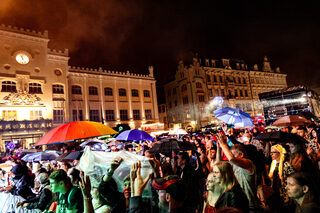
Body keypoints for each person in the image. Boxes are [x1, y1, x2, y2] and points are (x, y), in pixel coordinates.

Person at [216, 133, 260, 211]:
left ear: (241, 155)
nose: (230, 155)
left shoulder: (248, 163)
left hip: (251, 205)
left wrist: (223, 144)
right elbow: (219, 165)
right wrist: (219, 148)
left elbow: (232, 159)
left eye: (233, 154)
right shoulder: (234, 165)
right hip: (239, 203)